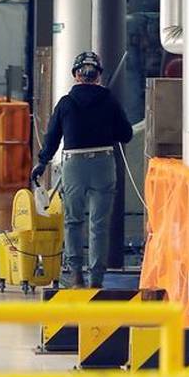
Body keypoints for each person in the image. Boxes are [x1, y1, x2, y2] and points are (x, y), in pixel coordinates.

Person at [31, 51, 133, 289]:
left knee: (73, 221)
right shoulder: (109, 101)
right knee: (99, 224)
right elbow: (126, 134)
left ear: (76, 75)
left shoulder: (66, 103)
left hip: (74, 166)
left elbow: (52, 138)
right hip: (103, 164)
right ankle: (96, 279)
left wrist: (42, 162)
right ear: (98, 76)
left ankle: (76, 274)